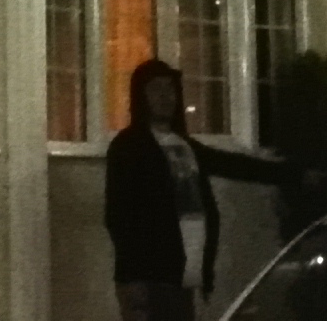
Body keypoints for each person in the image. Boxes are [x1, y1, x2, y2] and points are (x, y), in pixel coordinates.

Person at [105, 58, 278, 321]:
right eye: (156, 89)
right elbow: (118, 216)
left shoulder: (185, 146)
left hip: (183, 278)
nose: (165, 96)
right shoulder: (128, 147)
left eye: (170, 89)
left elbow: (234, 165)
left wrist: (296, 175)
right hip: (151, 280)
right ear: (142, 96)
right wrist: (133, 277)